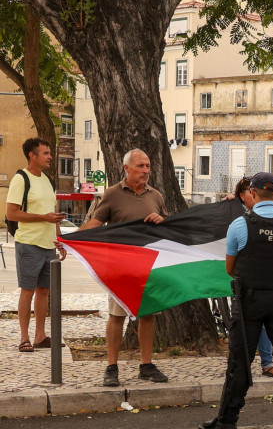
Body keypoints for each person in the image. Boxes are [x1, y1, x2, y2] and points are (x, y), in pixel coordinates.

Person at [199, 172, 273, 429]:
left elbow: (230, 268)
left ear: (253, 194)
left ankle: (228, 421)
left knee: (240, 360)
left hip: (249, 301)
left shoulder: (240, 224)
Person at [80, 149, 168, 386]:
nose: (146, 171)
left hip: (148, 266)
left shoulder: (156, 196)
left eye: (148, 166)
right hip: (119, 268)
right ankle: (111, 367)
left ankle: (146, 366)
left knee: (148, 316)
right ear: (126, 168)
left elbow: (170, 230)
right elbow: (96, 223)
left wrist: (162, 221)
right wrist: (71, 239)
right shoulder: (112, 194)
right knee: (116, 316)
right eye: (141, 166)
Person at [5, 138, 67, 352]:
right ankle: (24, 338)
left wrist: (60, 241)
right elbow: (11, 213)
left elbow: (53, 214)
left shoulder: (48, 180)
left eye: (49, 152)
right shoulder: (21, 179)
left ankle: (40, 336)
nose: (50, 156)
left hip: (48, 245)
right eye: (46, 153)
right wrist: (44, 218)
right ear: (32, 155)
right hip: (28, 243)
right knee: (28, 290)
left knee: (43, 292)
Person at [232, 177, 273, 378]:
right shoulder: (238, 219)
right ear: (243, 197)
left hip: (266, 285)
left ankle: (265, 362)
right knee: (247, 326)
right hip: (248, 284)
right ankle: (244, 367)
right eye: (246, 192)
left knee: (262, 325)